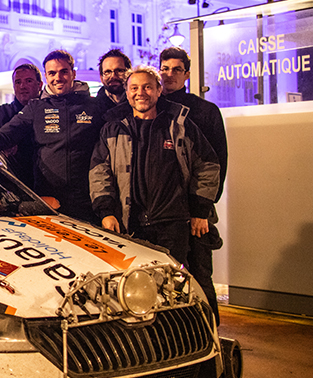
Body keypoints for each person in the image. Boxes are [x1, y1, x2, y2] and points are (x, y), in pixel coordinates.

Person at [89, 65, 220, 271]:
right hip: (129, 224)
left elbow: (208, 166)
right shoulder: (113, 128)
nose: (140, 93)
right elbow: (99, 172)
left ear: (159, 91)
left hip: (173, 225)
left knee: (173, 287)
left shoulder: (179, 126)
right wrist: (106, 211)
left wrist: (200, 210)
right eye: (134, 88)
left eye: (148, 87)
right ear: (127, 92)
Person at [0, 49, 111, 222]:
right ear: (46, 76)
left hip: (87, 200)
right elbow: (4, 137)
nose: (58, 78)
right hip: (47, 200)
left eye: (63, 72)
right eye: (52, 73)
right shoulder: (36, 107)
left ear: (73, 73)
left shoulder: (94, 106)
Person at [159, 46, 228, 321]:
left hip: (195, 212)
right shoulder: (151, 108)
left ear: (187, 74)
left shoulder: (205, 111)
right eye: (164, 69)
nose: (169, 75)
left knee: (200, 276)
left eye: (176, 69)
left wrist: (201, 210)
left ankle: (211, 333)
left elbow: (216, 164)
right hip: (163, 212)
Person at [0, 62, 42, 186]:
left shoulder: (49, 111)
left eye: (29, 81)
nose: (23, 86)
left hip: (46, 180)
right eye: (18, 82)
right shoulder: (2, 113)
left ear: (40, 85)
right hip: (14, 182)